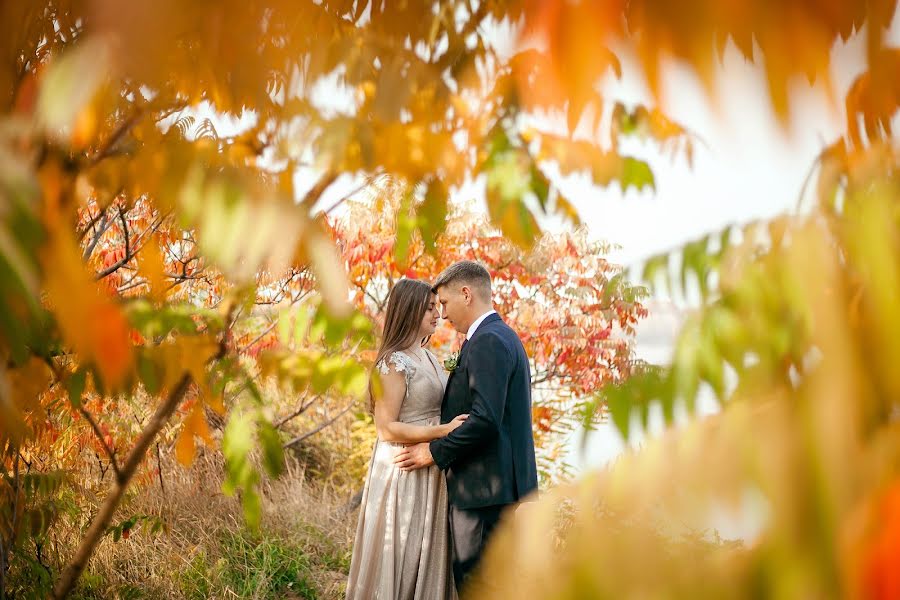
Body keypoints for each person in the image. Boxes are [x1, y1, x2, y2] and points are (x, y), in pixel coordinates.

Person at [394, 261, 538, 593]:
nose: (442, 314)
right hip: (498, 490)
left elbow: (485, 419)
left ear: (466, 293)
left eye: (444, 303)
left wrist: (434, 451)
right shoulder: (501, 336)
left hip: (483, 493)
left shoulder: (487, 341)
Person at [346, 278, 466, 600]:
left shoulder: (427, 355)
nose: (437, 314)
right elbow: (385, 428)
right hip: (404, 468)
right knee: (405, 548)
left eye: (436, 307)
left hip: (430, 464)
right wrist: (441, 431)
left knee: (427, 550)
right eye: (429, 308)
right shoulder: (393, 362)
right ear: (409, 310)